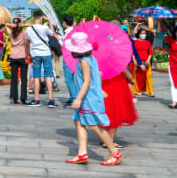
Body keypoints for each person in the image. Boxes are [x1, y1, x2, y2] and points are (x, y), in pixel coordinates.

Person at [64, 32, 122, 166]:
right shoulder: (91, 59)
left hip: (87, 98)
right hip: (89, 96)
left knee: (93, 125)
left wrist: (78, 98)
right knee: (79, 122)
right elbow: (97, 76)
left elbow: (87, 81)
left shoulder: (84, 61)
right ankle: (82, 153)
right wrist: (100, 90)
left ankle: (114, 152)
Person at [25, 10, 59, 108]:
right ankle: (51, 100)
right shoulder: (44, 27)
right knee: (48, 76)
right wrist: (49, 21)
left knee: (36, 76)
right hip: (46, 53)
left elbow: (28, 41)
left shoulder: (29, 29)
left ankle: (36, 99)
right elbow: (52, 33)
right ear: (41, 18)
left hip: (35, 54)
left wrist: (28, 52)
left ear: (33, 18)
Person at [6, 18, 29, 104]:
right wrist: (23, 25)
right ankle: (23, 97)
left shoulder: (11, 33)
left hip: (13, 57)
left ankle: (15, 98)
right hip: (22, 56)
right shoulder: (24, 33)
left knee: (14, 78)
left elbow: (5, 25)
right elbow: (31, 25)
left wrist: (14, 25)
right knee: (23, 79)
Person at [132, 26, 154, 97]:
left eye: (144, 33)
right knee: (138, 76)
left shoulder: (147, 42)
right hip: (138, 62)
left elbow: (150, 52)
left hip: (146, 62)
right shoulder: (135, 42)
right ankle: (137, 90)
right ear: (138, 34)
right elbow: (132, 51)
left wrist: (148, 59)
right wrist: (134, 59)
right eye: (142, 33)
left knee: (148, 76)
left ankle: (149, 91)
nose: (143, 35)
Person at [61, 15, 76, 107]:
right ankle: (73, 97)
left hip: (69, 57)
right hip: (73, 57)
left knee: (68, 78)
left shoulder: (69, 33)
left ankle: (74, 98)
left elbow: (66, 45)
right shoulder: (73, 31)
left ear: (65, 23)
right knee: (71, 78)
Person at [166, 33, 177, 109]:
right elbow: (159, 34)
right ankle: (174, 102)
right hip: (172, 65)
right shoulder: (171, 40)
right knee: (173, 83)